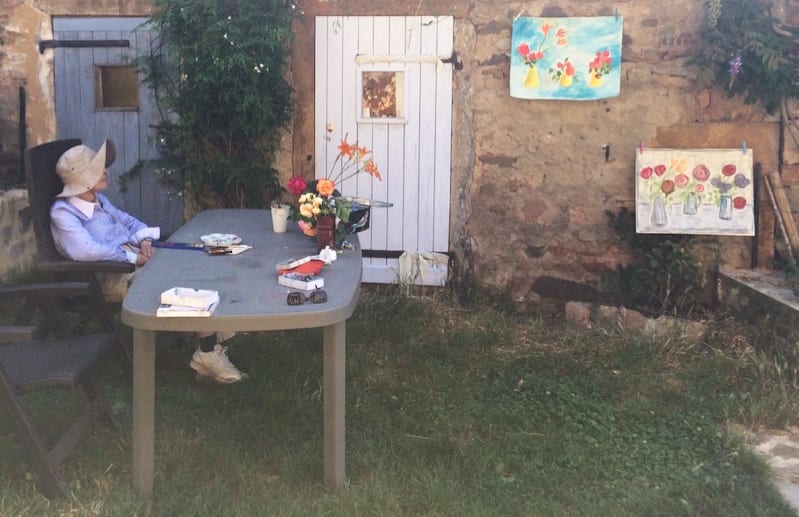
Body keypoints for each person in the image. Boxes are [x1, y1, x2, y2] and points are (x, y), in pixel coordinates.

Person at [49, 139, 245, 384]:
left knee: (197, 265)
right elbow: (86, 251)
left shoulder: (97, 199)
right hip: (107, 276)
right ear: (83, 179)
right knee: (177, 280)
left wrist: (143, 240)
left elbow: (128, 221)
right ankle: (207, 352)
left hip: (130, 262)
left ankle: (210, 347)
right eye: (98, 168)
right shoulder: (63, 213)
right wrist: (133, 257)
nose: (106, 170)